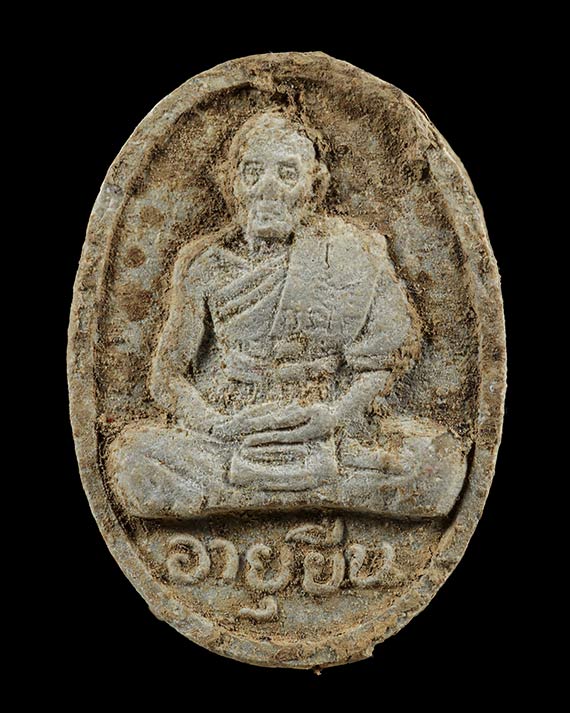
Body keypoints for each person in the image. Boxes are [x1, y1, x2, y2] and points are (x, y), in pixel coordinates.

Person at [109, 111, 467, 519]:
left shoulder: (354, 251)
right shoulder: (203, 264)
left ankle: (236, 502)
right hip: (231, 430)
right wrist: (217, 424)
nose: (268, 189)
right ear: (232, 184)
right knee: (133, 458)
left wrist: (334, 415)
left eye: (287, 174)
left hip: (329, 428)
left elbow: (383, 363)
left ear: (313, 188)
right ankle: (320, 498)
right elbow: (167, 376)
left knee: (438, 465)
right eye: (253, 173)